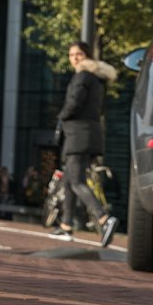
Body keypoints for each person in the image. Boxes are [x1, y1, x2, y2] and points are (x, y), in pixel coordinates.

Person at [49, 39, 118, 246]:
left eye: (78, 54)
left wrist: (61, 117)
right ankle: (66, 226)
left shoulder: (83, 76)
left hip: (78, 135)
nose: (74, 58)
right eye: (71, 55)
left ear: (86, 55)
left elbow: (74, 103)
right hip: (88, 134)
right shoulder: (96, 79)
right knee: (70, 180)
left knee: (77, 181)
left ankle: (105, 219)